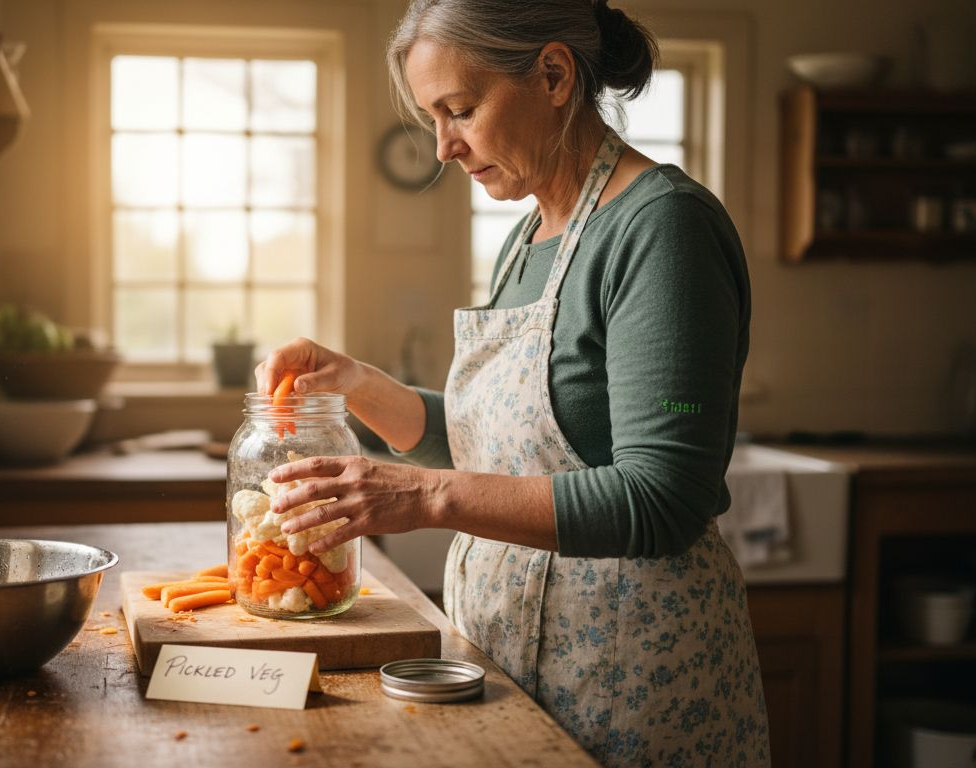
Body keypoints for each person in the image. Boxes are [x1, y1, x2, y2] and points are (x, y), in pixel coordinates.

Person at [256, 1, 770, 765]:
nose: (443, 147)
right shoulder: (527, 238)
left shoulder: (662, 229)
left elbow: (663, 497)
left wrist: (422, 497)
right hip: (517, 665)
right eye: (433, 117)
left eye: (460, 110)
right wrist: (355, 381)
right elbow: (490, 448)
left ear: (554, 75)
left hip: (637, 684)